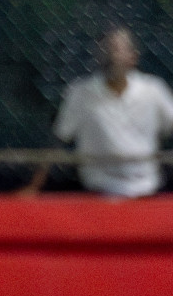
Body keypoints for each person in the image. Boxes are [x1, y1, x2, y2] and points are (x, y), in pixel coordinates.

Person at [22, 26, 173, 198]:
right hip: (98, 193)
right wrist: (34, 186)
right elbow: (58, 138)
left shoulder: (153, 90)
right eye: (104, 50)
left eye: (116, 49)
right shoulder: (80, 93)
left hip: (146, 191)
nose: (110, 56)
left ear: (133, 57)